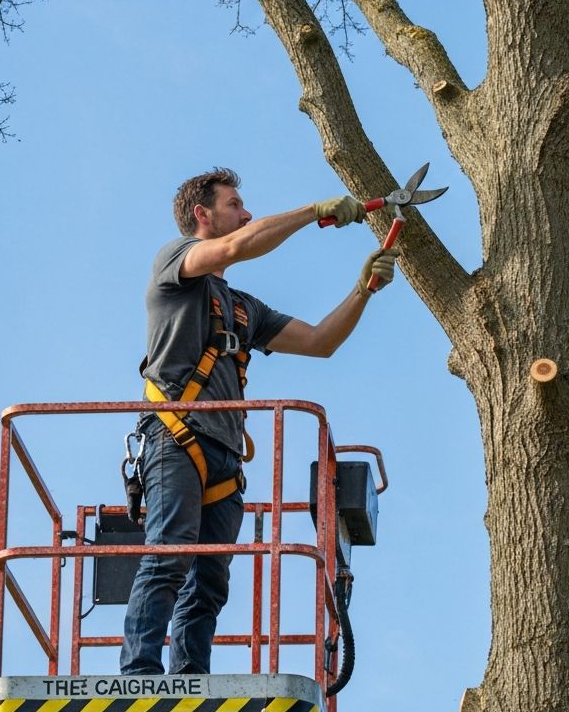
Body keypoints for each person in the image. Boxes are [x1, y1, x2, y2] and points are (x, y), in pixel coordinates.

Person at [120, 167, 397, 675]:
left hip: (224, 455)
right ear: (202, 215)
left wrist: (365, 289)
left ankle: (188, 679)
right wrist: (315, 212)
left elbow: (320, 343)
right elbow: (232, 249)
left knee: (210, 583)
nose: (245, 214)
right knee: (169, 555)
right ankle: (140, 673)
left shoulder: (244, 310)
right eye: (234, 205)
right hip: (175, 435)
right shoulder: (175, 264)